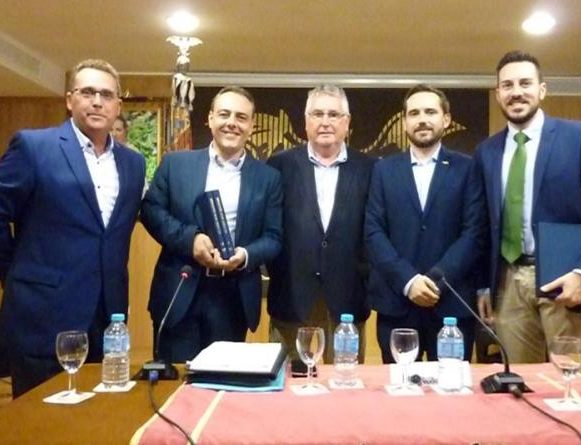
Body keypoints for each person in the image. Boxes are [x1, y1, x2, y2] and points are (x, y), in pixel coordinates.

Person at [0, 59, 146, 397]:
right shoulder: (34, 147)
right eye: (87, 92)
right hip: (42, 314)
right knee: (39, 417)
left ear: (118, 105)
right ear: (69, 100)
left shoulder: (133, 163)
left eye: (106, 95)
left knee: (98, 416)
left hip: (106, 320)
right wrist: (13, 270)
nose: (97, 102)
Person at [474, 50, 581, 363]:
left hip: (566, 280)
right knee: (518, 383)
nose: (516, 92)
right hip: (508, 285)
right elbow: (483, 224)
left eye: (525, 83)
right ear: (498, 94)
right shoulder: (487, 152)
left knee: (570, 382)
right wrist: (483, 286)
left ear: (542, 89)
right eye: (507, 85)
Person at [141, 86, 282, 363]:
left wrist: (245, 255)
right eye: (224, 114)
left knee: (223, 379)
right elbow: (151, 211)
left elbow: (274, 237)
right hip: (180, 289)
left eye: (241, 117)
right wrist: (190, 240)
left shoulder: (268, 178)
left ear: (251, 126)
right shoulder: (175, 164)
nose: (232, 123)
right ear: (210, 118)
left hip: (233, 296)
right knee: (176, 382)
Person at [365, 84, 486, 363]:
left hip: (452, 304)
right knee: (398, 386)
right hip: (397, 303)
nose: (422, 119)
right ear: (404, 122)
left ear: (446, 119)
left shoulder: (468, 168)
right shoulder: (383, 170)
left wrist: (434, 281)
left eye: (430, 112)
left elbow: (474, 233)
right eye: (414, 113)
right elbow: (373, 232)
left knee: (451, 388)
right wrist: (409, 282)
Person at [267, 85, 374, 363]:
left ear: (346, 122)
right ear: (306, 122)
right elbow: (269, 228)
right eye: (317, 114)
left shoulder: (370, 169)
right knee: (285, 380)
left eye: (333, 114)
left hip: (348, 296)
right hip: (290, 295)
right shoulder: (278, 166)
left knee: (345, 380)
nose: (325, 122)